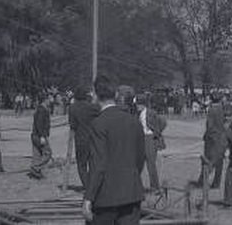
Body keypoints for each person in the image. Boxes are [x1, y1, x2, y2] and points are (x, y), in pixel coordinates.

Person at [82, 75, 145, 224]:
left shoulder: (98, 124)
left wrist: (89, 197)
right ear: (116, 95)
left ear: (95, 95)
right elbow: (140, 159)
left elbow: (98, 165)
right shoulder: (134, 121)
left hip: (105, 197)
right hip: (131, 193)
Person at [69, 86, 100, 190]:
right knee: (93, 164)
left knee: (82, 165)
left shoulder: (72, 108)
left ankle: (87, 187)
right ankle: (94, 185)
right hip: (93, 139)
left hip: (81, 139)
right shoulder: (93, 107)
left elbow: (72, 125)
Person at [136, 93, 167, 192]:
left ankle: (155, 186)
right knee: (138, 163)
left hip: (150, 138)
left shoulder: (151, 112)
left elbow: (163, 122)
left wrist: (156, 132)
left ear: (142, 104)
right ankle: (135, 185)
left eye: (138, 105)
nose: (137, 107)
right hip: (141, 138)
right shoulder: (137, 113)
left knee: (151, 164)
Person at [199, 92, 227, 190]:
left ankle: (203, 180)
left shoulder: (212, 110)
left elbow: (210, 126)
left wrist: (207, 136)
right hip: (222, 138)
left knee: (208, 159)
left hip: (212, 139)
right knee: (219, 161)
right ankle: (216, 183)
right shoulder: (223, 109)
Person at [28, 92, 52, 179]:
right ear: (45, 100)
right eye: (50, 98)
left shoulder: (40, 109)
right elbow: (39, 124)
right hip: (39, 136)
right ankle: (35, 167)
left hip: (35, 135)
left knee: (37, 155)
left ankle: (36, 173)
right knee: (48, 154)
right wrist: (42, 136)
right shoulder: (42, 110)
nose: (51, 100)